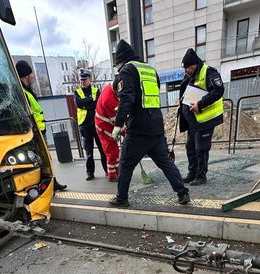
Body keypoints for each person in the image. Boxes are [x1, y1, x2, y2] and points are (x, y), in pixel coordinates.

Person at [109, 40, 190, 207]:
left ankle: (122, 198)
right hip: (156, 127)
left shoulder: (127, 70)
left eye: (117, 64)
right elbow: (147, 96)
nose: (118, 68)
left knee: (125, 164)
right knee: (165, 163)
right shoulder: (150, 70)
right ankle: (182, 193)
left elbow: (127, 98)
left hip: (138, 129)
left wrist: (118, 124)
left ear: (121, 60)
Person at [15, 60, 67, 191]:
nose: (32, 77)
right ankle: (48, 185)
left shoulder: (27, 90)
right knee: (42, 160)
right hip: (34, 134)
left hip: (38, 131)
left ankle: (51, 183)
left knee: (45, 160)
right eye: (31, 75)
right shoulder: (22, 93)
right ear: (26, 76)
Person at [178, 48, 224, 186]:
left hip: (206, 119)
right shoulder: (190, 75)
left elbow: (218, 90)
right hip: (193, 121)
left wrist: (200, 104)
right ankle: (192, 173)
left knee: (201, 148)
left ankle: (201, 175)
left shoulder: (209, 72)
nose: (186, 71)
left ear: (194, 65)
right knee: (190, 147)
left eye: (187, 68)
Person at [75, 70, 107, 180]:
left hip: (96, 124)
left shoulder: (96, 90)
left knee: (102, 149)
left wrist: (86, 103)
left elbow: (96, 103)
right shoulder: (77, 91)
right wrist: (89, 101)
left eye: (84, 79)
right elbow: (79, 104)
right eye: (81, 80)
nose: (82, 82)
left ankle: (107, 171)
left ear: (90, 79)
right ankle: (90, 173)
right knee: (89, 152)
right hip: (85, 125)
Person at [95, 77, 122, 181]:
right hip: (104, 126)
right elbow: (117, 121)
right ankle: (112, 175)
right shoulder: (109, 100)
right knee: (111, 151)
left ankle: (116, 172)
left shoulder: (111, 90)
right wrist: (127, 132)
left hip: (106, 124)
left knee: (114, 150)